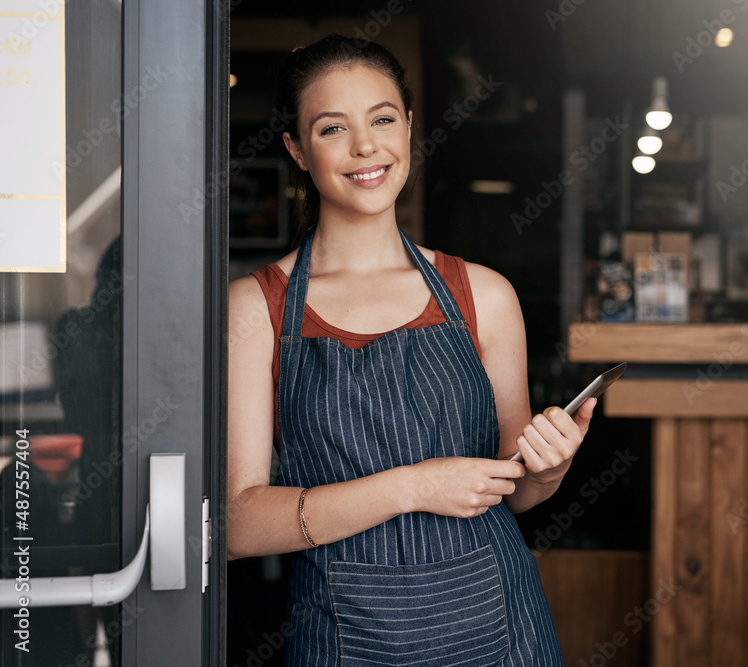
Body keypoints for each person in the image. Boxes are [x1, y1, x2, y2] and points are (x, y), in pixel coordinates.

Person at [226, 34, 595, 666]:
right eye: (332, 128)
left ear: (409, 127)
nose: (365, 147)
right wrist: (413, 487)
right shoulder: (256, 308)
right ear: (296, 149)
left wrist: (551, 466)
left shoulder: (485, 295)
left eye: (383, 119)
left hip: (500, 624)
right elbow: (238, 524)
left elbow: (518, 490)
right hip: (345, 635)